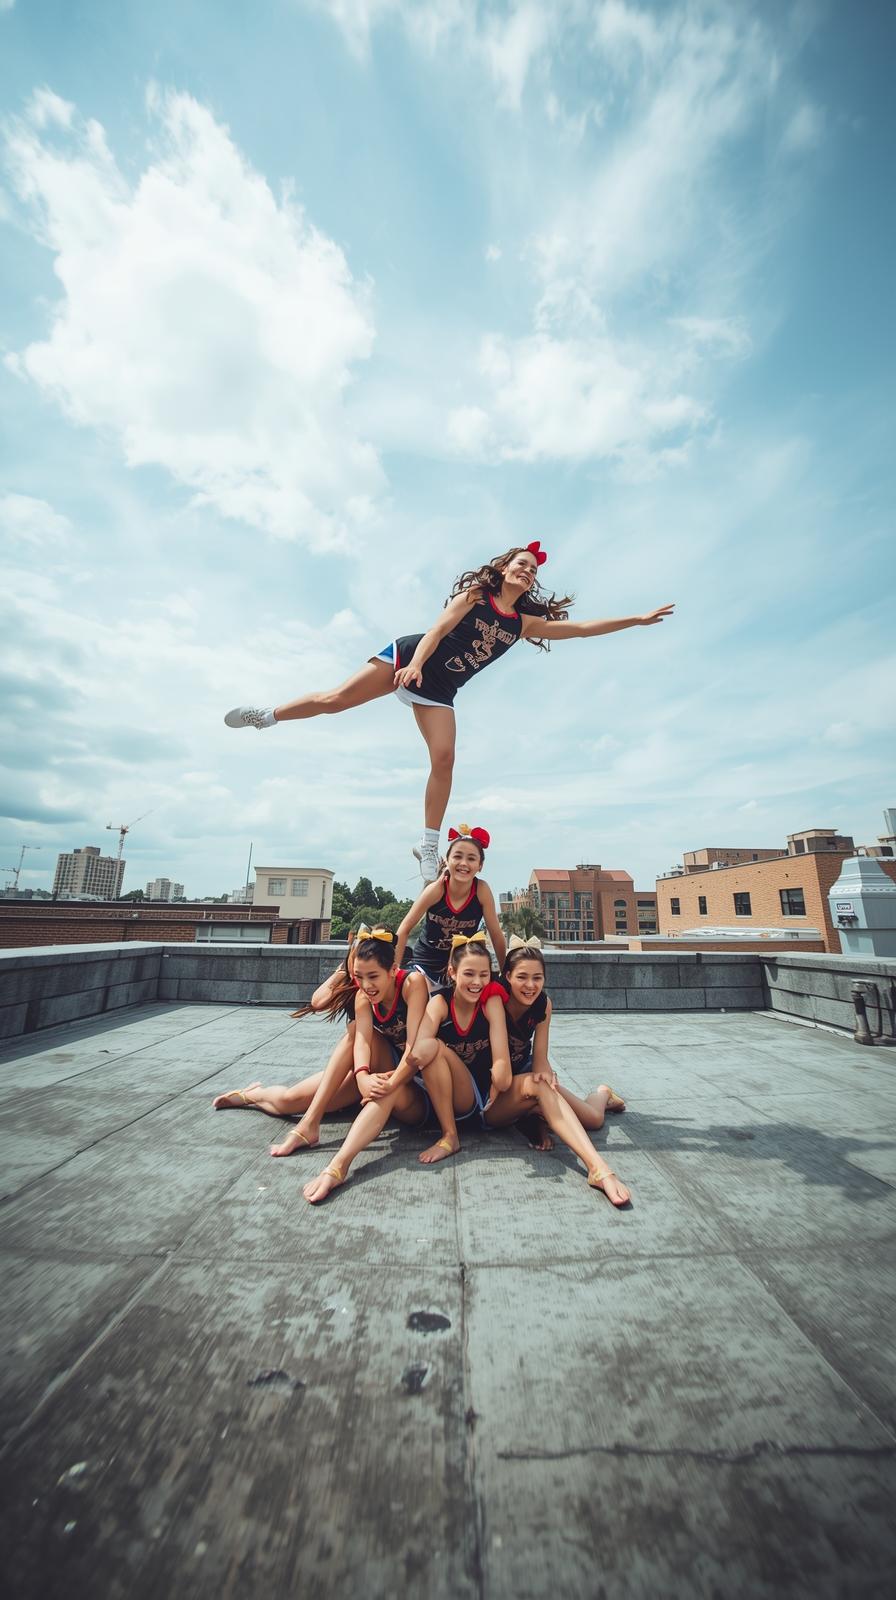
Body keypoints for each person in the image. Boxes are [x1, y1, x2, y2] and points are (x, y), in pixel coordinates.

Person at [225, 542, 674, 881]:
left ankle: (427, 844)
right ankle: (266, 715)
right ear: (503, 568)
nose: (526, 571)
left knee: (444, 759)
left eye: (532, 570)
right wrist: (415, 664)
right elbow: (438, 629)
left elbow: (579, 629)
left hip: (441, 690)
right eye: (520, 563)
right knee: (335, 701)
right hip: (411, 660)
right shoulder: (478, 596)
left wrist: (634, 620)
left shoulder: (523, 624)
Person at [499, 938, 627, 1184]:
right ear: (507, 976)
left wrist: (546, 1075)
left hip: (525, 1072)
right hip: (504, 1082)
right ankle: (535, 1115)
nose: (530, 985)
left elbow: (540, 1057)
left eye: (538, 977)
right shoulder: (496, 1002)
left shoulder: (543, 1005)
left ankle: (602, 1093)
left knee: (594, 1120)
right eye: (522, 977)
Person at [394, 822, 505, 993]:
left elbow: (496, 935)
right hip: (425, 966)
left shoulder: (481, 891)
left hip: (461, 969)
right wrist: (393, 971)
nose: (463, 863)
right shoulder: (436, 890)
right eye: (457, 856)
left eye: (471, 859)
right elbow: (405, 928)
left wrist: (505, 973)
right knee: (420, 995)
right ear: (447, 860)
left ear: (480, 865)